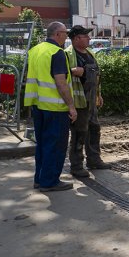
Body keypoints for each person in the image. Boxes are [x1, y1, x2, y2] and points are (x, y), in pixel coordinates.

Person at [24, 22, 77, 192]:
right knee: (55, 146)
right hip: (55, 108)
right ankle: (50, 181)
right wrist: (71, 106)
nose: (67, 37)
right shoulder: (57, 53)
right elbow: (61, 83)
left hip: (38, 105)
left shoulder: (36, 50)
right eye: (65, 33)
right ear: (57, 34)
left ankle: (40, 179)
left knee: (43, 144)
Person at [65, 26, 111, 177]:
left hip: (91, 101)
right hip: (79, 102)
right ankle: (77, 166)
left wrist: (99, 94)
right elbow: (63, 77)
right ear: (77, 38)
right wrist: (74, 71)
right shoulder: (68, 55)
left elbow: (96, 77)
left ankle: (94, 160)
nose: (89, 38)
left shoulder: (90, 54)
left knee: (94, 130)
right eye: (86, 36)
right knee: (79, 134)